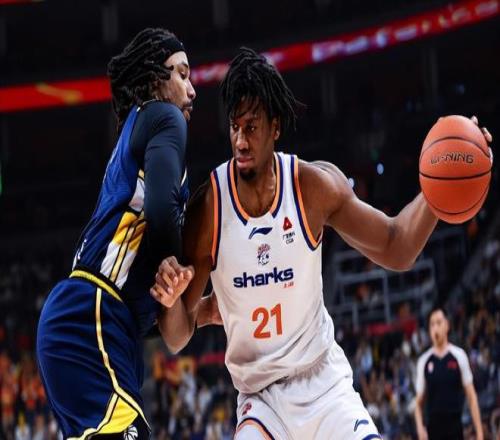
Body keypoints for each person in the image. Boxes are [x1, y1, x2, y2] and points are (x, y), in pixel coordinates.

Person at [150, 48, 492, 439]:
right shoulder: (211, 206)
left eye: (252, 126)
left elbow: (397, 247)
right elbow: (177, 336)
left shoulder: (313, 187)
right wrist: (171, 302)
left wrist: (438, 192)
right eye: (234, 127)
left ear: (275, 127)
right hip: (261, 400)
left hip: (324, 385)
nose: (241, 140)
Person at [36, 27, 196, 439]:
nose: (192, 89)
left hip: (95, 321)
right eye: (181, 74)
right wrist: (175, 269)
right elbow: (161, 211)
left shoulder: (134, 133)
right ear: (156, 80)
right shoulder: (164, 117)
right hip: (92, 315)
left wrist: (192, 309)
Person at [414, 306, 483, 440]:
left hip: (455, 429)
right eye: (432, 324)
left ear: (447, 325)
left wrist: (479, 433)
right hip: (433, 430)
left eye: (439, 322)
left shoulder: (459, 355)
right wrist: (420, 427)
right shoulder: (424, 361)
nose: (435, 327)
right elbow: (418, 403)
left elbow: (472, 396)